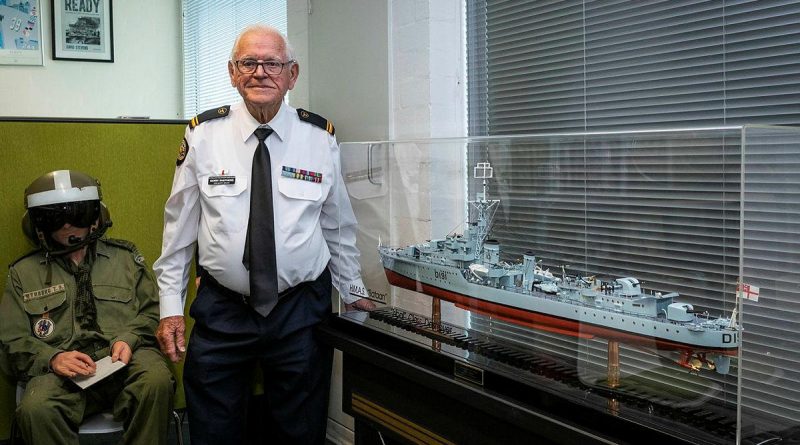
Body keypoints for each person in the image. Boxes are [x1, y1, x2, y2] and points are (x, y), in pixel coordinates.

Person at [154, 24, 375, 445]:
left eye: (272, 63)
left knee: (299, 430)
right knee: (213, 430)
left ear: (292, 74)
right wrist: (169, 307)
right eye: (248, 63)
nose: (260, 72)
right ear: (232, 73)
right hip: (222, 309)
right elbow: (178, 230)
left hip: (300, 311)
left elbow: (338, 225)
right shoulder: (203, 135)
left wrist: (354, 289)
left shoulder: (318, 137)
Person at [0, 170, 175, 445]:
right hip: (62, 371)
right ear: (40, 225)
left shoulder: (126, 259)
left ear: (95, 217)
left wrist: (129, 340)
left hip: (122, 360)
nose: (68, 226)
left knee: (155, 382)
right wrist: (52, 359)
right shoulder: (24, 273)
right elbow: (12, 339)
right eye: (55, 217)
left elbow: (153, 312)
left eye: (77, 215)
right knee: (37, 408)